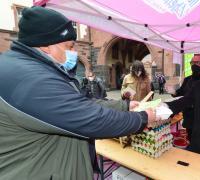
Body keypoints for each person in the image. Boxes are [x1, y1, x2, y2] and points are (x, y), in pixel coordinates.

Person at [0, 7, 158, 180]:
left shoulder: (32, 69)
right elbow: (93, 120)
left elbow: (81, 102)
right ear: (46, 45)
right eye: (69, 46)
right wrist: (142, 119)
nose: (74, 53)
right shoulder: (32, 79)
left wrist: (125, 105)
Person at [171, 54, 200, 142]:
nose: (194, 65)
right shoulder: (187, 79)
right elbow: (180, 93)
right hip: (189, 118)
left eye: (197, 62)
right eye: (192, 62)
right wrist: (173, 92)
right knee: (191, 141)